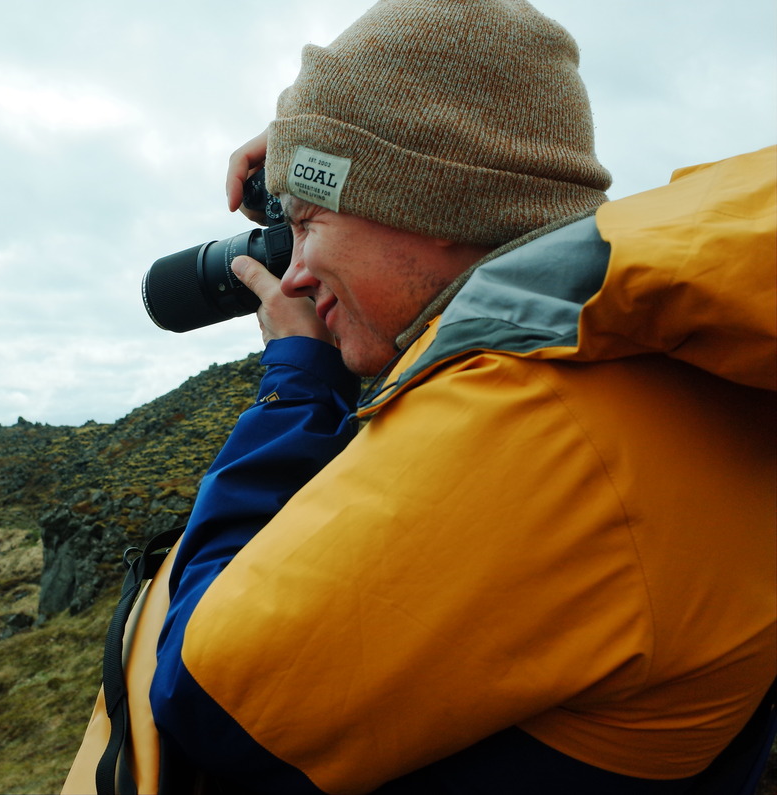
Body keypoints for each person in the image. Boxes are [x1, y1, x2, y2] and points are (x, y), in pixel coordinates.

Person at [143, 0, 777, 793]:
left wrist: (299, 382)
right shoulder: (636, 356)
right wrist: (324, 165)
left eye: (307, 224)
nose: (292, 274)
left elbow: (207, 699)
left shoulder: (533, 410)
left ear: (431, 208)